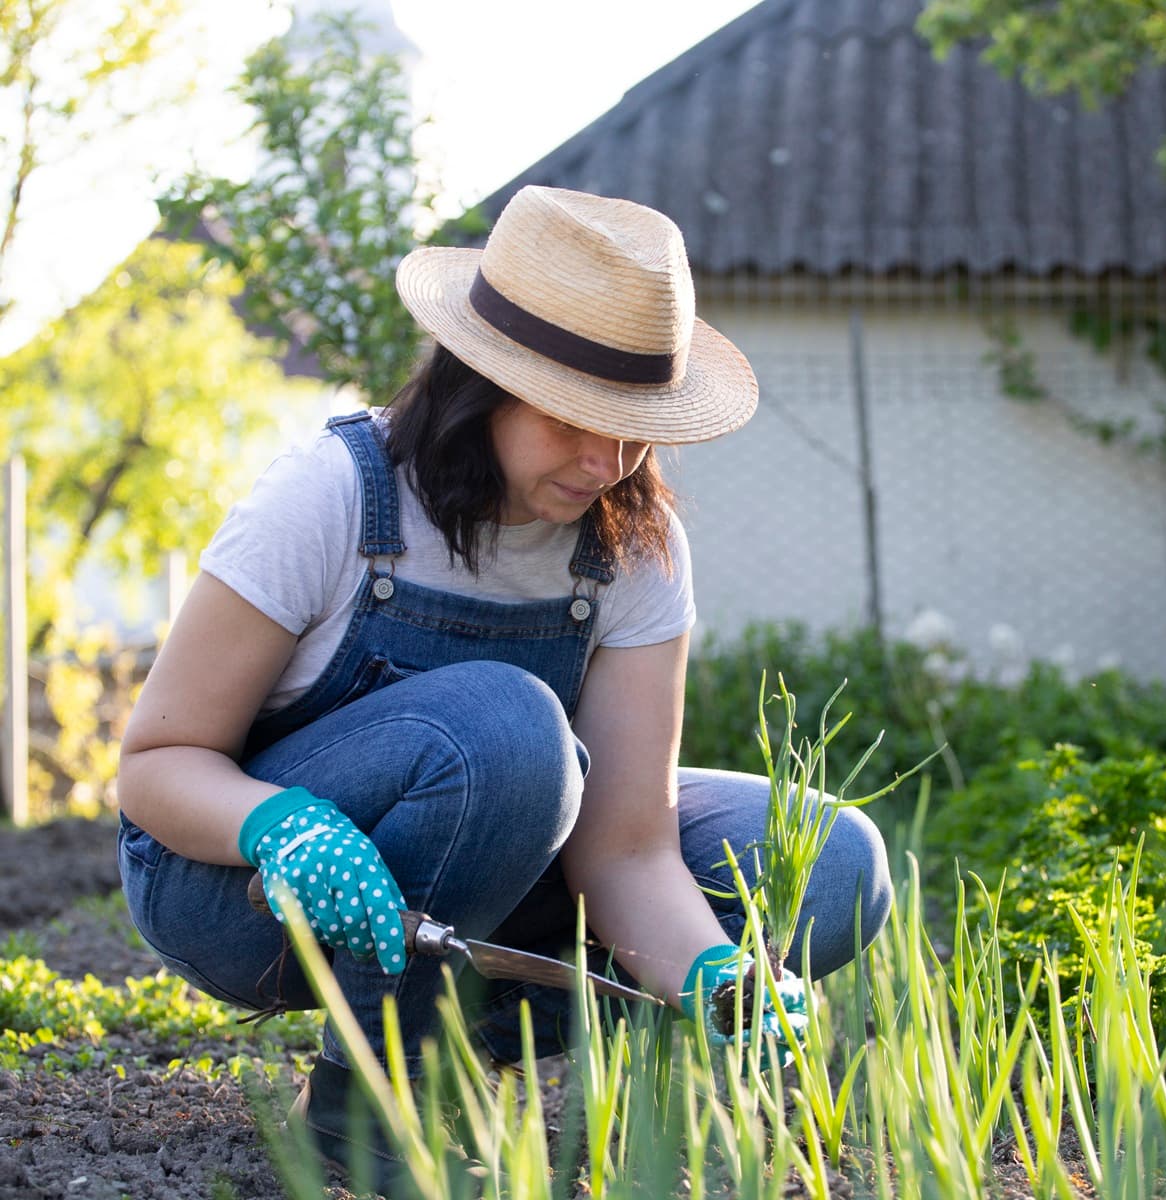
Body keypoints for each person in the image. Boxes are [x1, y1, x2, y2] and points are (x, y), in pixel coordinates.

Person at [117, 185, 892, 1176]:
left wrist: (712, 973)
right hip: (235, 887)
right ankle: (364, 1104)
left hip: (467, 894)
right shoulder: (334, 494)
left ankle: (438, 1050)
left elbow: (626, 847)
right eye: (575, 418)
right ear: (483, 381)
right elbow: (156, 765)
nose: (608, 461)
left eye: (635, 425)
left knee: (834, 865)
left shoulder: (635, 549)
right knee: (509, 728)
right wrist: (279, 826)